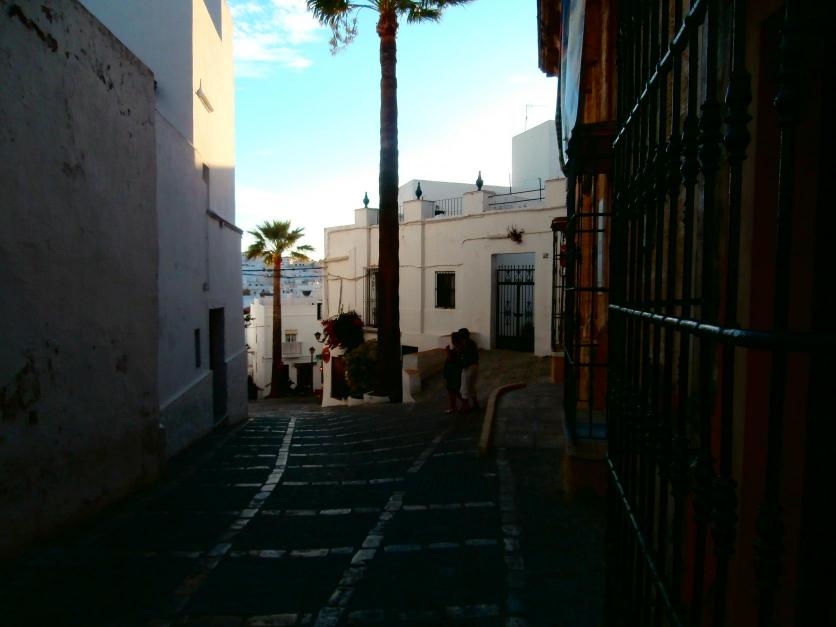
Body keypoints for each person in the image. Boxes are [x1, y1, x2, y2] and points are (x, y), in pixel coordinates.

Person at [457, 328, 479, 413]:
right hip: (475, 366)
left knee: (464, 387)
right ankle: (475, 403)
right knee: (471, 386)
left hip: (468, 367)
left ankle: (465, 406)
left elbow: (465, 359)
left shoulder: (465, 345)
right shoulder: (472, 343)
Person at [443, 332, 463, 413]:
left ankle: (464, 404)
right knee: (451, 390)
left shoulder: (460, 348)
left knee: (455, 389)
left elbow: (453, 360)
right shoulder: (456, 347)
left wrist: (448, 352)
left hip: (454, 372)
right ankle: (453, 406)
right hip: (451, 371)